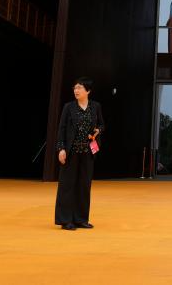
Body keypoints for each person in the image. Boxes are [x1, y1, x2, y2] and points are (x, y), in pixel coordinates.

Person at [54, 77, 104, 230]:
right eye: (75, 88)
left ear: (88, 91)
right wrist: (61, 148)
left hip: (88, 152)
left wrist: (97, 131)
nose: (76, 91)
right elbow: (62, 129)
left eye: (79, 88)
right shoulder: (69, 107)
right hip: (71, 151)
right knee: (67, 185)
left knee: (84, 186)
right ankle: (66, 220)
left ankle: (81, 219)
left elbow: (101, 124)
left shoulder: (95, 106)